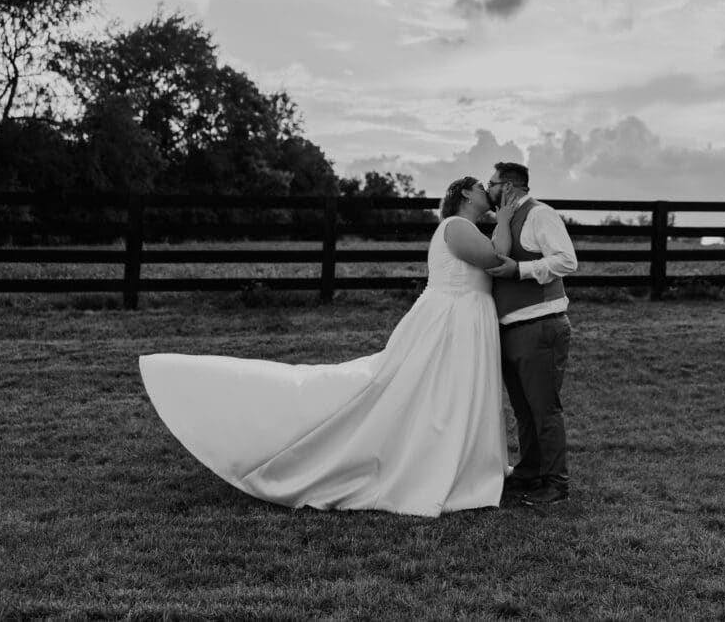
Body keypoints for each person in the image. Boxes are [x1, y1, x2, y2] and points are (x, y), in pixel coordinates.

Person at [138, 176, 511, 518]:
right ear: (465, 194)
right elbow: (495, 259)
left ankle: (457, 459)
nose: (487, 192)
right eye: (482, 186)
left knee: (445, 394)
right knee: (416, 393)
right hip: (447, 323)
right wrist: (508, 218)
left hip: (463, 322)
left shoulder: (468, 228)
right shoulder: (458, 226)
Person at [485, 162, 578, 506]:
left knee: (544, 410)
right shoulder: (508, 220)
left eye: (491, 183)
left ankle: (556, 483)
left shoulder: (541, 215)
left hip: (540, 325)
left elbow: (567, 261)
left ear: (508, 187)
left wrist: (520, 270)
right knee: (524, 411)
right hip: (512, 328)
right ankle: (529, 472)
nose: (488, 189)